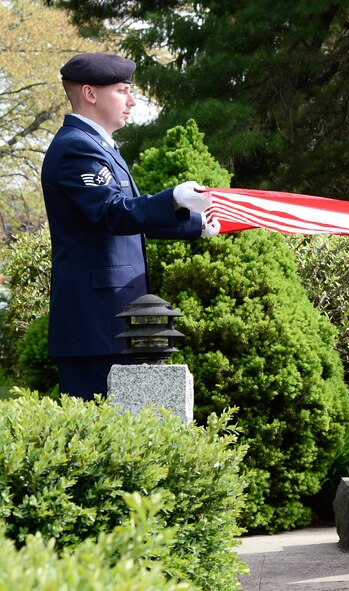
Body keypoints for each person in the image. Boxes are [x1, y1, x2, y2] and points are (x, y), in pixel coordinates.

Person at [41, 52, 220, 401]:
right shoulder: (77, 148)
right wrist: (173, 198)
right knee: (98, 428)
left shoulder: (99, 147)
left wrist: (197, 224)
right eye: (122, 91)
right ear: (90, 94)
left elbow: (132, 220)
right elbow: (115, 214)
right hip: (95, 326)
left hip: (113, 321)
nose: (132, 101)